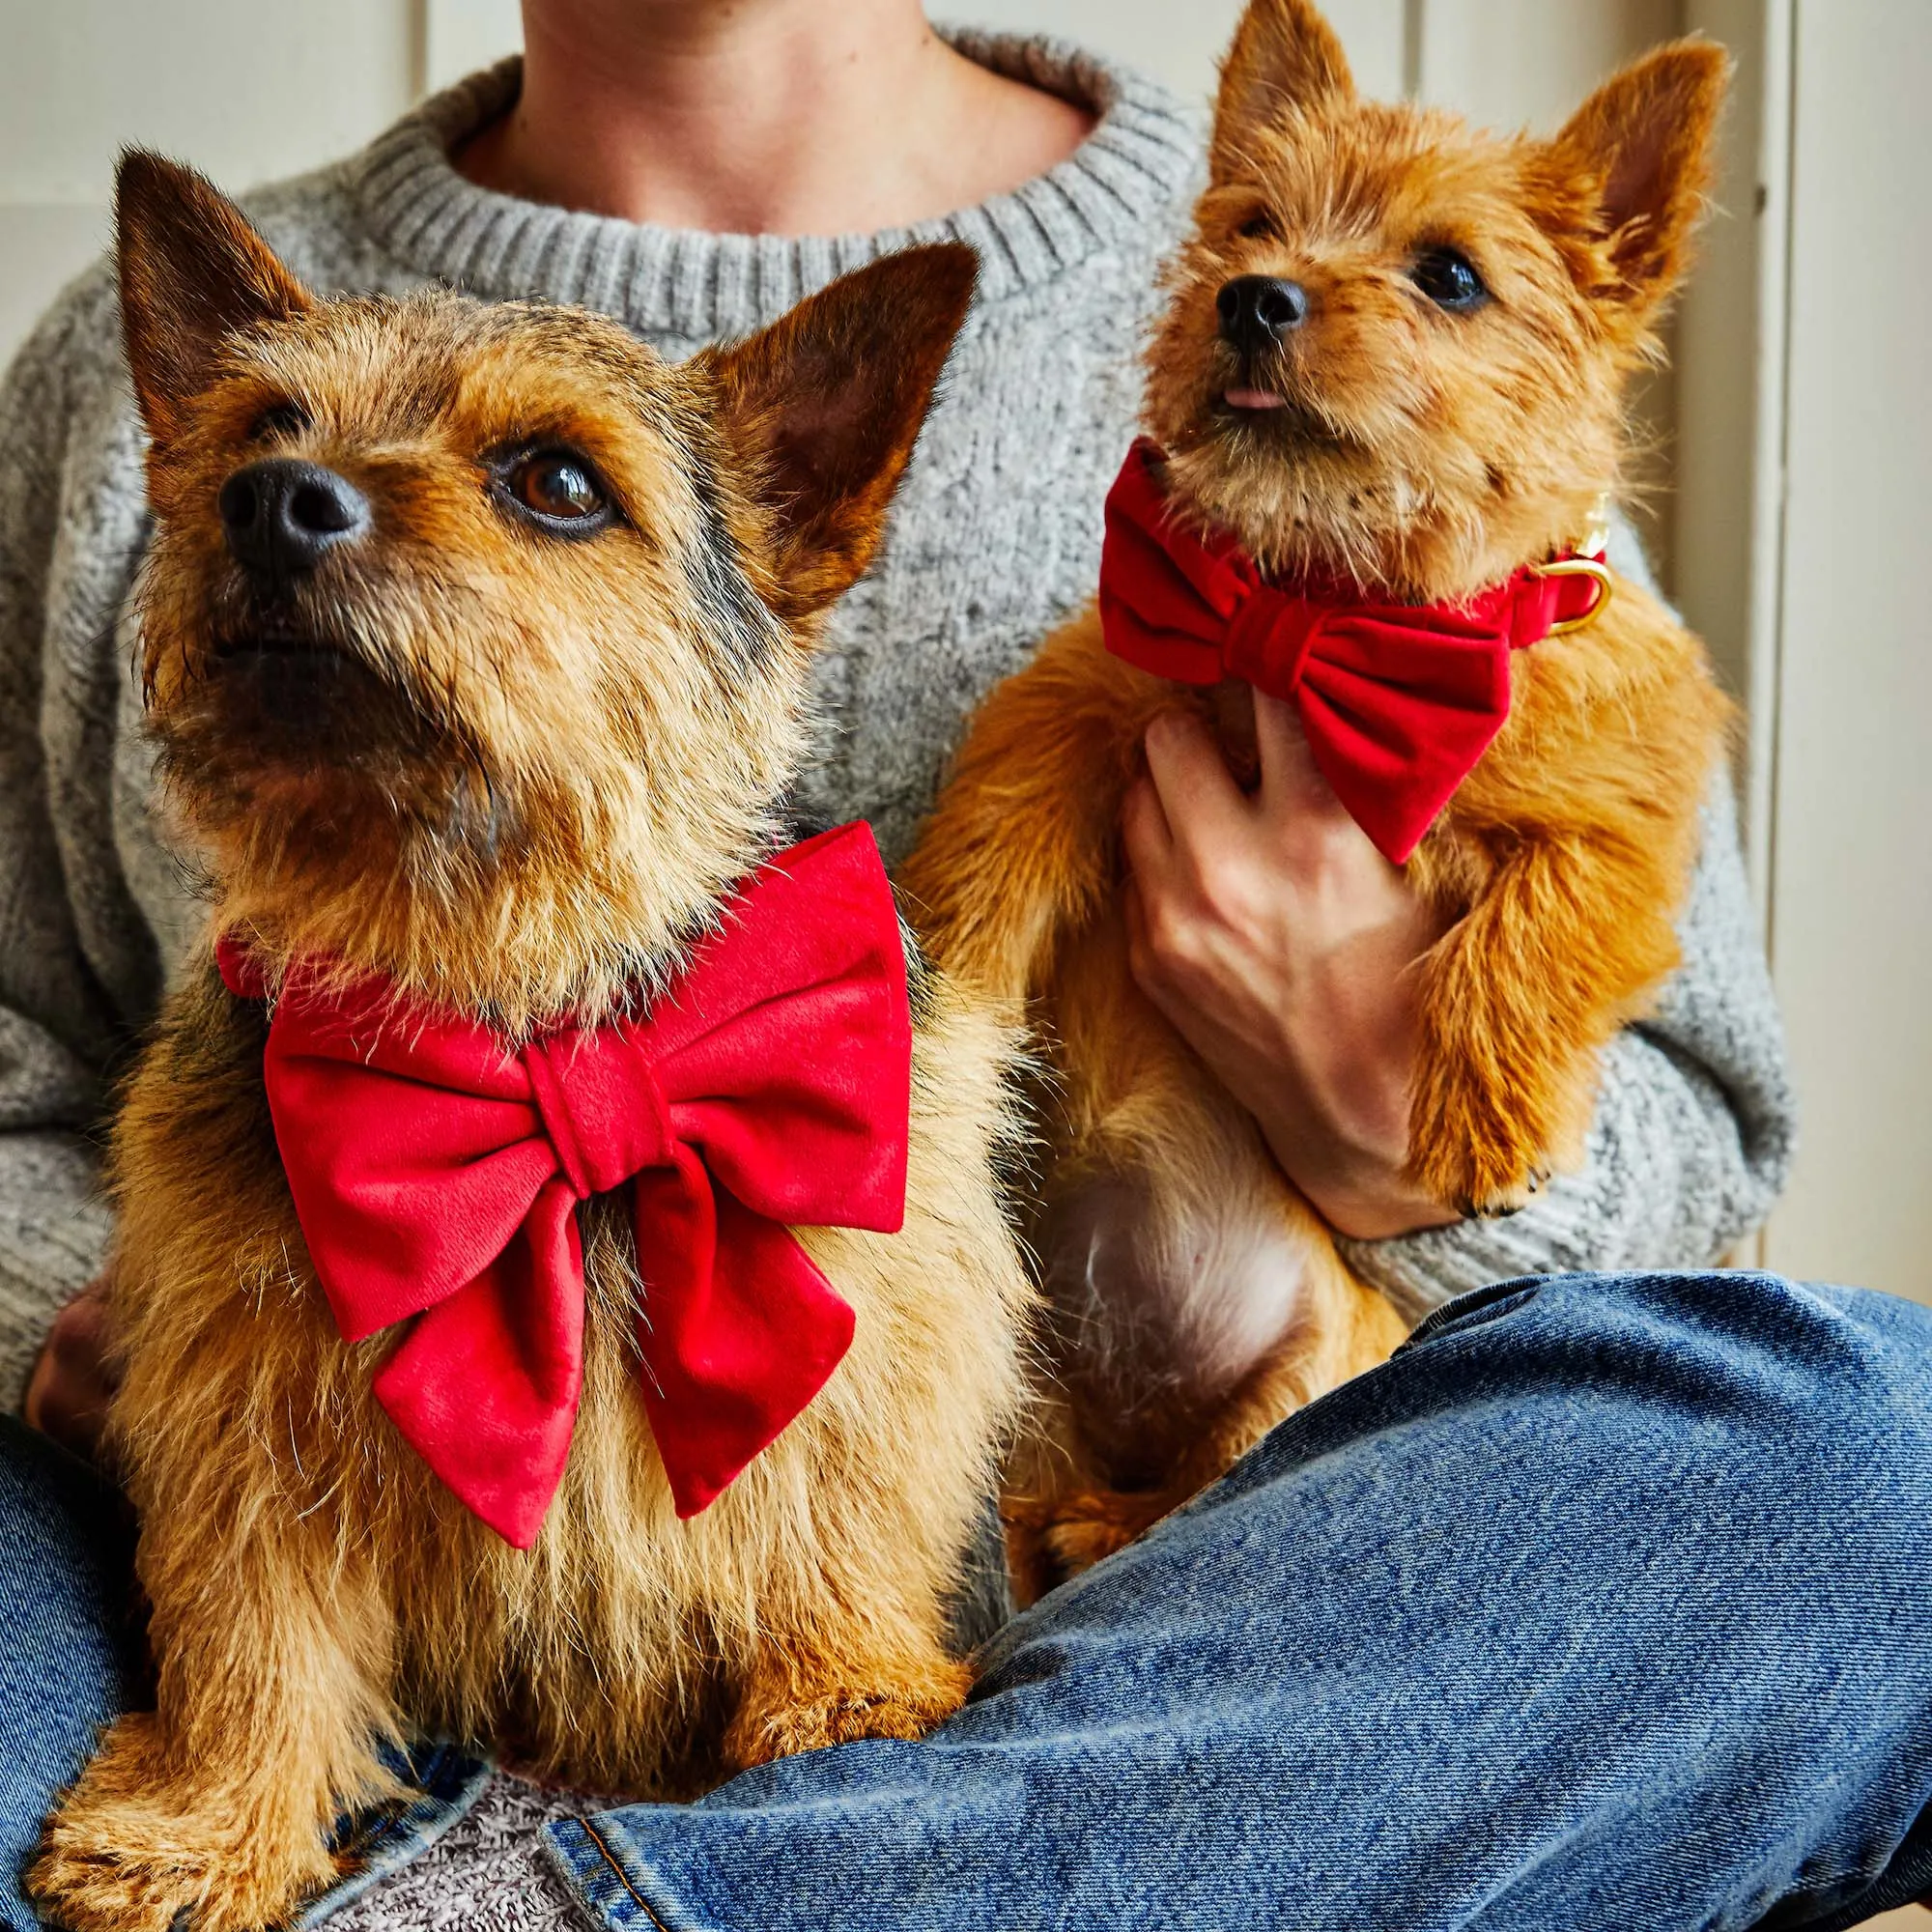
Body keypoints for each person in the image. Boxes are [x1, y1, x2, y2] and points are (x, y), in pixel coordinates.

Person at [0, 3, 1851, 1928]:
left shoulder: (1405, 369)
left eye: (549, 484)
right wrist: (130, 1324)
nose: (299, 493)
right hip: (254, 1563)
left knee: (1863, 1460)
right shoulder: (79, 389)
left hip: (1107, 1645)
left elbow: (1702, 1182)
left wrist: (1413, 1145)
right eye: (259, 453)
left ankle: (627, 1894)